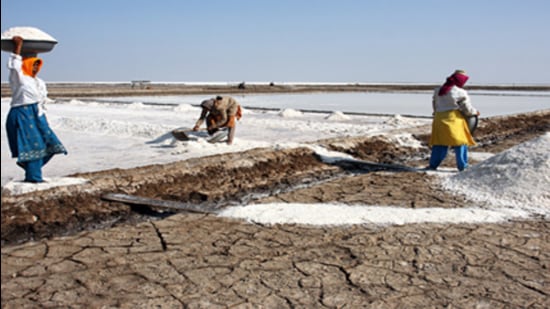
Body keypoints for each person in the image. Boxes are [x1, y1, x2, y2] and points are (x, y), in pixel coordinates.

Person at [5, 36, 67, 183]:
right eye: (32, 64)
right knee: (33, 146)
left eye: (37, 65)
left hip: (37, 115)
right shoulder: (19, 78)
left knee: (50, 143)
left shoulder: (38, 82)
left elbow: (42, 100)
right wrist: (18, 46)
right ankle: (34, 176)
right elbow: (14, 65)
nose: (35, 68)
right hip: (22, 113)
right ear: (26, 65)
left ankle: (30, 168)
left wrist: (43, 117)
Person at [428, 69, 479, 171]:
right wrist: (475, 112)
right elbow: (467, 109)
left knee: (439, 143)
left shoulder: (438, 90)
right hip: (454, 119)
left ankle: (433, 165)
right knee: (460, 143)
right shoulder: (460, 92)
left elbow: (434, 105)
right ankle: (462, 166)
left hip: (439, 119)